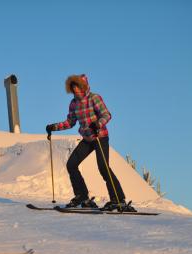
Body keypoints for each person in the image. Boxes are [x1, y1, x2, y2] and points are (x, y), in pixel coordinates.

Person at [46, 74, 136, 212]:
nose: (75, 89)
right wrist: (54, 127)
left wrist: (98, 123)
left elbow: (107, 114)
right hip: (87, 139)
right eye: (73, 86)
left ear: (84, 86)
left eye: (77, 86)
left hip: (100, 137)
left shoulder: (94, 98)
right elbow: (70, 122)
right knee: (72, 164)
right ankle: (82, 196)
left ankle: (118, 200)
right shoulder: (73, 103)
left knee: (103, 167)